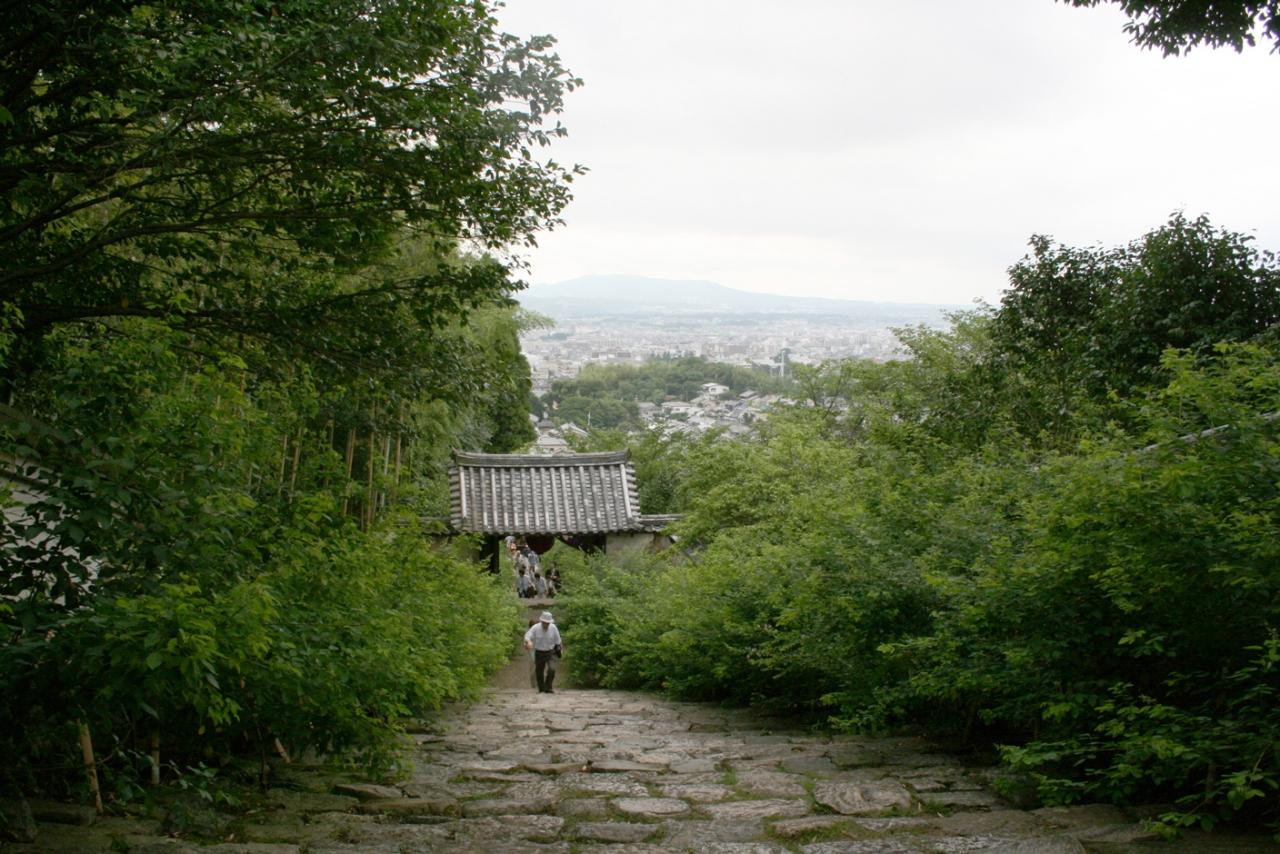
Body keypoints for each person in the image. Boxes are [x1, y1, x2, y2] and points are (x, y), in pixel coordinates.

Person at [523, 611, 562, 694]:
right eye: (545, 622)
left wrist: (560, 649)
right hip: (539, 652)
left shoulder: (553, 628)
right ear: (542, 621)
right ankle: (541, 689)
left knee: (552, 669)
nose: (546, 624)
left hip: (550, 651)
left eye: (548, 623)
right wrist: (528, 642)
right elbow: (527, 635)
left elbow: (558, 640)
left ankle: (548, 687)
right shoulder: (535, 628)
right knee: (539, 671)